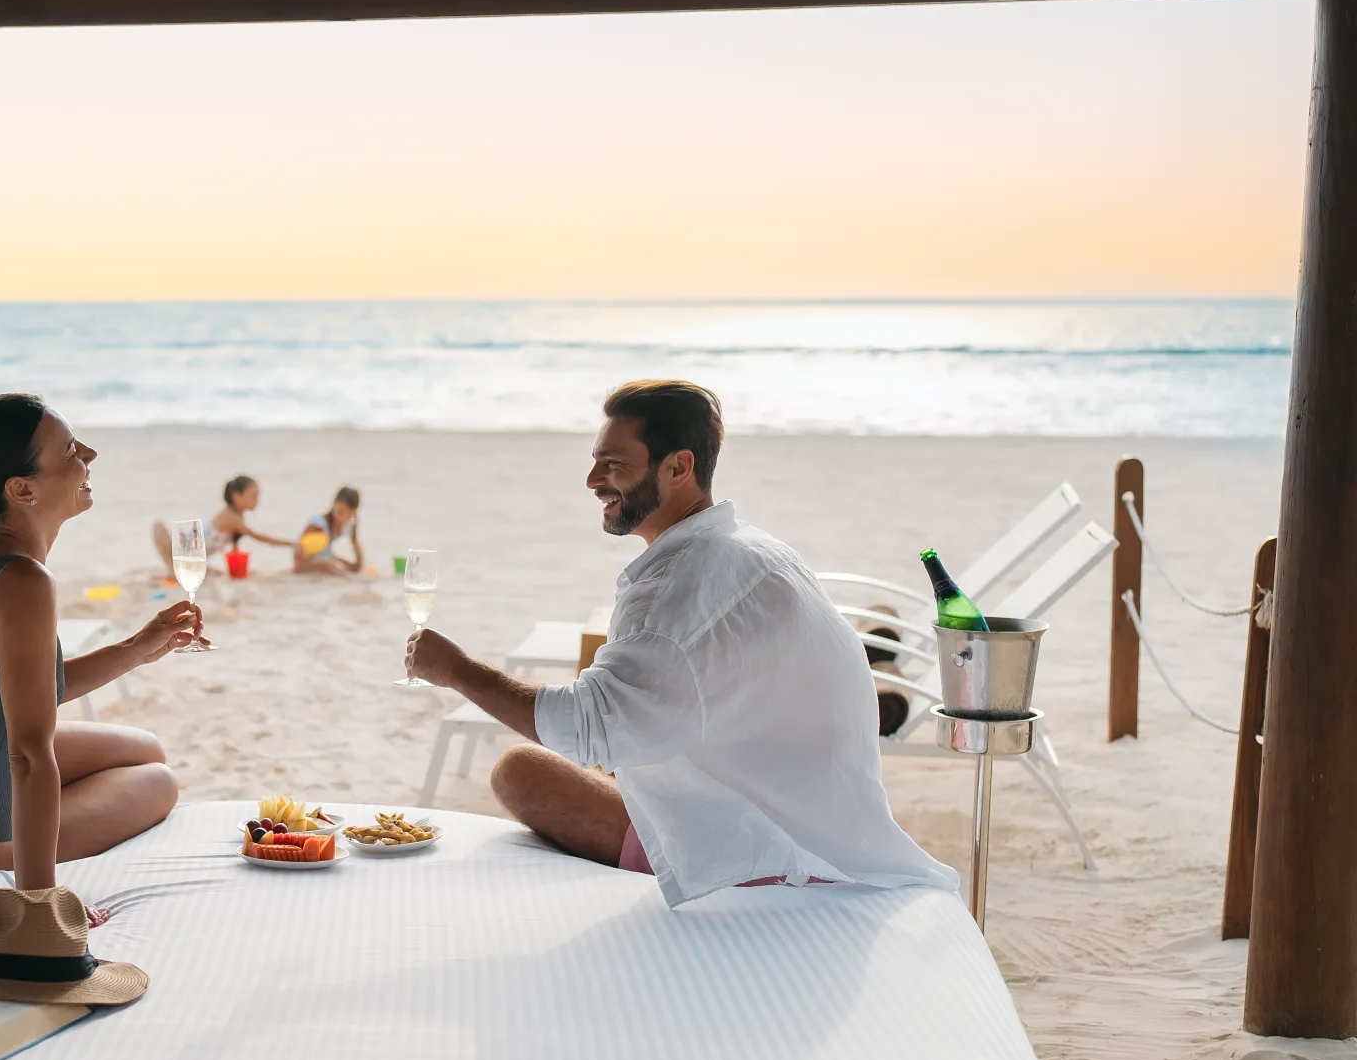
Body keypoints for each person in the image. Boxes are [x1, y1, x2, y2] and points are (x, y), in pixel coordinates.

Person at [403, 380, 957, 907]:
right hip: (826, 822)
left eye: (615, 464)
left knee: (520, 772)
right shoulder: (749, 546)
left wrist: (455, 670)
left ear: (679, 467)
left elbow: (585, 728)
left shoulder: (676, 587)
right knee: (610, 756)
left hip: (762, 851)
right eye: (595, 460)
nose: (594, 480)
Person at [0, 394, 205, 893]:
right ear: (21, 488)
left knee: (147, 747)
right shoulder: (23, 581)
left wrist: (138, 647)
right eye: (71, 450)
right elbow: (29, 757)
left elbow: (21, 689)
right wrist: (39, 899)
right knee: (158, 782)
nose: (90, 456)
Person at [150, 474, 293, 579]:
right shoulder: (231, 517)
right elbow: (261, 538)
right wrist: (291, 544)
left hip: (194, 559)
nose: (257, 501)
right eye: (253, 496)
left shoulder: (237, 517)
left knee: (218, 575)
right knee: (158, 526)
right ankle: (172, 569)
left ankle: (175, 571)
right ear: (237, 496)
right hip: (182, 552)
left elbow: (235, 551)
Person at [294, 486, 364, 575]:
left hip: (326, 557)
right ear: (334, 503)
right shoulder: (318, 524)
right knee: (330, 567)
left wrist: (358, 566)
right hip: (307, 562)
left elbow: (358, 557)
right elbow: (298, 554)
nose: (341, 518)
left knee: (355, 568)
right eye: (340, 511)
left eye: (347, 515)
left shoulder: (348, 526)